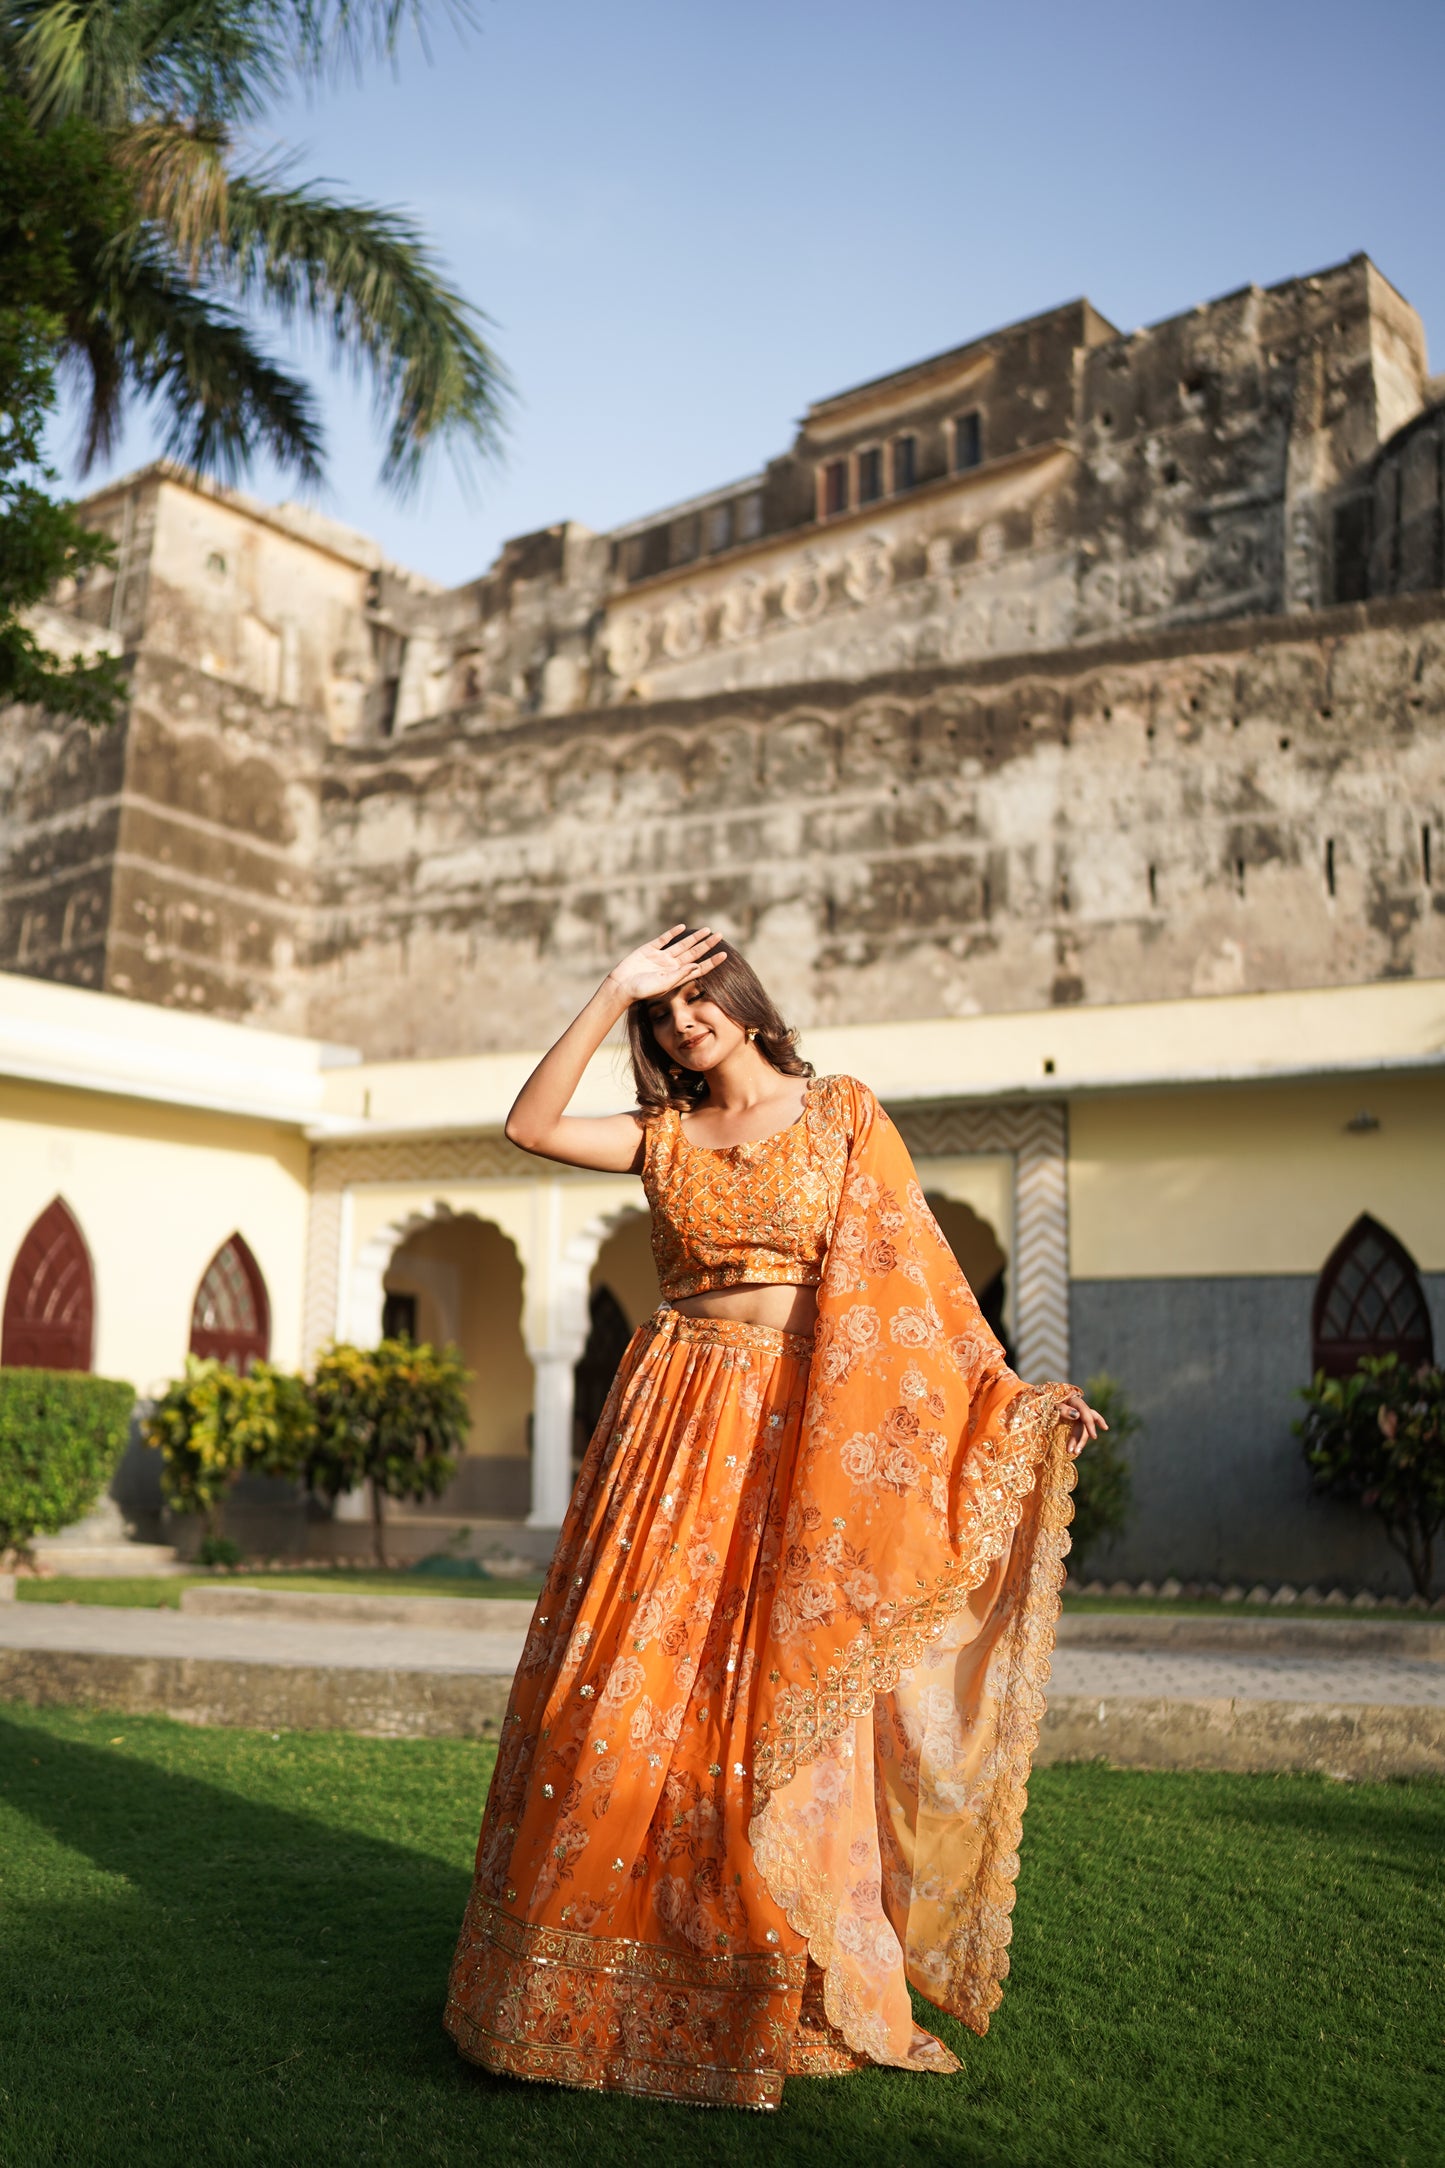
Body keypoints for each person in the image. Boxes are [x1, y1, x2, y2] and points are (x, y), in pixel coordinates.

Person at [445, 926, 1104, 2111]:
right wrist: (611, 990)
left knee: (765, 1703)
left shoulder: (842, 1111)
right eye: (665, 1009)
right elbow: (529, 1127)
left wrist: (1011, 1396)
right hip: (667, 1427)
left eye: (699, 995)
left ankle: (768, 1982)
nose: (683, 1017)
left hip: (797, 1433)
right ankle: (571, 1984)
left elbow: (920, 1281)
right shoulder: (660, 1135)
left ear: (745, 1001)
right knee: (616, 1694)